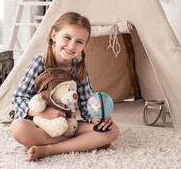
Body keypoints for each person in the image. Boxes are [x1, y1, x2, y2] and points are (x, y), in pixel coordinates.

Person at [9, 12, 119, 161]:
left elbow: (87, 103)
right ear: (54, 35)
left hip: (68, 126)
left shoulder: (79, 69)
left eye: (79, 41)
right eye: (67, 37)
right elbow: (19, 97)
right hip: (39, 125)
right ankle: (82, 144)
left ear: (84, 46)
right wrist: (43, 113)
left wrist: (98, 118)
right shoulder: (39, 63)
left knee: (112, 131)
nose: (71, 45)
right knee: (17, 128)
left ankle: (50, 149)